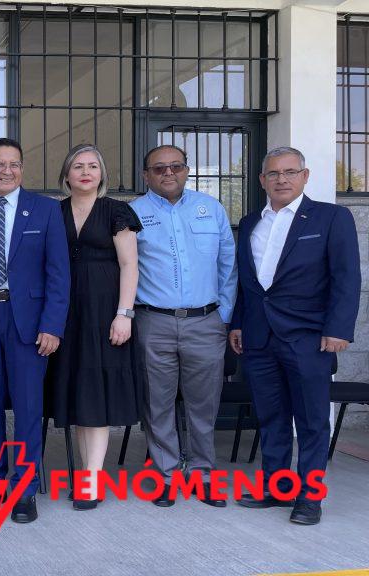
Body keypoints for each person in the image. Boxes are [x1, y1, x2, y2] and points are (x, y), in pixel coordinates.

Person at [230, 147, 361, 525]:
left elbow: (346, 277)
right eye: (273, 173)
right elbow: (247, 282)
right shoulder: (250, 222)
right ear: (262, 180)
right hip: (259, 338)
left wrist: (338, 329)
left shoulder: (331, 217)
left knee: (311, 420)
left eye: (290, 172)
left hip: (309, 338)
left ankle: (310, 497)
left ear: (305, 176)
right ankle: (277, 488)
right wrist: (238, 323)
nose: (281, 179)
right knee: (271, 417)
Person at [0, 137, 71, 524]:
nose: (7, 171)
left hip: (29, 323)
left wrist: (52, 325)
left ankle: (24, 488)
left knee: (27, 409)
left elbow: (59, 274)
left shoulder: (46, 210)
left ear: (22, 169)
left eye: (15, 164)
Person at [130, 144, 236, 507]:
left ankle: (203, 475)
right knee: (156, 404)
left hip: (205, 322)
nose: (168, 173)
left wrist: (223, 316)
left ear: (187, 170)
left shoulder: (211, 209)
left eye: (175, 166)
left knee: (203, 406)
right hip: (153, 322)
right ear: (146, 175)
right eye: (159, 168)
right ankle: (166, 476)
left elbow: (228, 265)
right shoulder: (133, 213)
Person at [44, 144, 144, 510]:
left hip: (105, 314)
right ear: (66, 174)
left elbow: (130, 265)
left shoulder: (117, 211)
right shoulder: (54, 212)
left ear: (102, 174)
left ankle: (92, 479)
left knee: (96, 394)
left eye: (92, 166)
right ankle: (88, 474)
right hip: (66, 315)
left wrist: (124, 313)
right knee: (80, 394)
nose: (86, 172)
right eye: (78, 166)